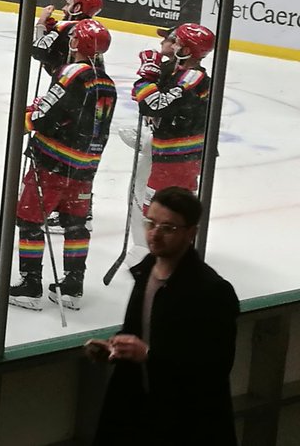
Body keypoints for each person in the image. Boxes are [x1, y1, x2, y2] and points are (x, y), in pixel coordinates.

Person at [88, 188, 239, 445]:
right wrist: (115, 347)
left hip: (185, 425)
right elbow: (142, 332)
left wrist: (148, 355)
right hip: (137, 417)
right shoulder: (145, 272)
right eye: (151, 223)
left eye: (168, 228)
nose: (154, 234)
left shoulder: (212, 291)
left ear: (191, 233)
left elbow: (214, 369)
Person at [10, 19, 116, 312]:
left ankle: (31, 285)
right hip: (85, 167)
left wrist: (27, 116)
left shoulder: (70, 73)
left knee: (30, 220)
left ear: (76, 43)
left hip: (53, 162)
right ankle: (72, 286)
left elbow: (45, 116)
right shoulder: (107, 82)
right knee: (76, 224)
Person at [132, 23, 213, 208]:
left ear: (186, 50)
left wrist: (146, 79)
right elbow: (142, 99)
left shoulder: (191, 78)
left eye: (177, 43)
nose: (172, 45)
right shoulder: (178, 72)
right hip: (174, 154)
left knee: (159, 209)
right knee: (165, 208)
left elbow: (154, 105)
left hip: (178, 156)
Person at [31, 0, 103, 78]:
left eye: (68, 4)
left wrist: (41, 23)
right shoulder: (93, 30)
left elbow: (38, 51)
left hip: (68, 81)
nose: (63, 8)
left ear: (77, 8)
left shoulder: (64, 26)